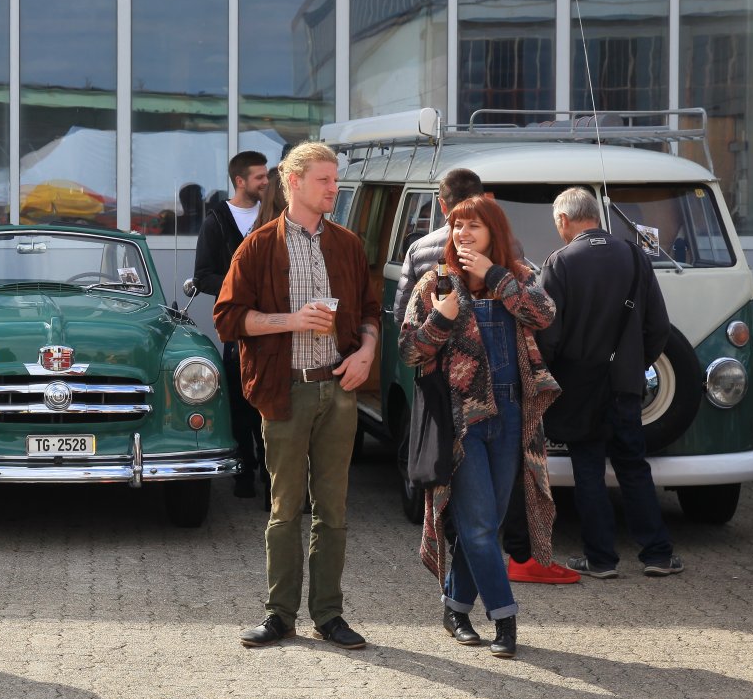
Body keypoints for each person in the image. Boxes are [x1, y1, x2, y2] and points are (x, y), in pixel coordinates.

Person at [215, 141, 381, 650]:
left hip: (339, 387)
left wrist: (366, 352)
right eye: (325, 180)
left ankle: (329, 615)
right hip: (285, 389)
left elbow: (370, 311)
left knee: (334, 509)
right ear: (295, 182)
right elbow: (227, 319)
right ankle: (279, 616)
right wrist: (290, 320)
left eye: (335, 179)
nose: (334, 188)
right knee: (285, 508)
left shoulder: (347, 244)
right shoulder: (258, 246)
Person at [395, 169, 578, 585]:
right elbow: (408, 349)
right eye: (457, 225)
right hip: (460, 417)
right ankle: (501, 612)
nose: (462, 233)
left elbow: (544, 314)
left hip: (512, 410)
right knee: (477, 526)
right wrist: (441, 319)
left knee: (488, 521)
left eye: (472, 226)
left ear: (493, 231)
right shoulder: (437, 280)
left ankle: (456, 604)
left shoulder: (516, 273)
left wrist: (495, 274)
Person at [537, 187, 681, 579]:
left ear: (564, 220)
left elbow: (548, 335)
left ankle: (600, 560)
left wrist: (549, 377)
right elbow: (659, 327)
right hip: (625, 387)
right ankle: (657, 555)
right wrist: (635, 364)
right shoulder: (635, 256)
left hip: (579, 387)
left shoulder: (560, 262)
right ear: (596, 215)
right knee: (633, 466)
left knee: (587, 470)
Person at [194, 150, 270, 499]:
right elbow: (203, 276)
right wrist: (239, 286)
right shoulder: (216, 221)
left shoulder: (273, 215)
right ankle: (244, 473)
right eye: (259, 177)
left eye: (266, 176)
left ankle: (271, 477)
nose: (266, 182)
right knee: (240, 402)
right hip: (237, 328)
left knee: (269, 402)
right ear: (240, 181)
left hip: (273, 325)